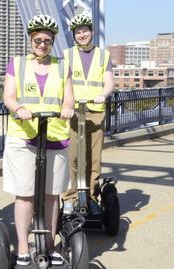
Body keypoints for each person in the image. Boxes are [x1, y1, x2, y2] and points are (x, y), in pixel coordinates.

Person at [2, 14, 75, 267]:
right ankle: (23, 246)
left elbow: (68, 99)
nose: (42, 44)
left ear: (52, 42)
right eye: (38, 39)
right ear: (30, 39)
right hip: (23, 135)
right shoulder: (17, 64)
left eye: (47, 40)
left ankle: (51, 244)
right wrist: (19, 108)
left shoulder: (62, 66)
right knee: (25, 195)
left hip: (55, 133)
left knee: (52, 194)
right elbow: (8, 96)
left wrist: (67, 109)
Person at [61, 14, 115, 216]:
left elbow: (109, 81)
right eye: (78, 32)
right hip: (73, 113)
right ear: (74, 35)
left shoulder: (103, 55)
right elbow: (61, 82)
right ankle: (70, 197)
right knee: (73, 157)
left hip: (94, 112)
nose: (82, 35)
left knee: (93, 159)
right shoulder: (66, 55)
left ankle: (91, 197)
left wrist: (103, 94)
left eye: (85, 31)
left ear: (91, 32)